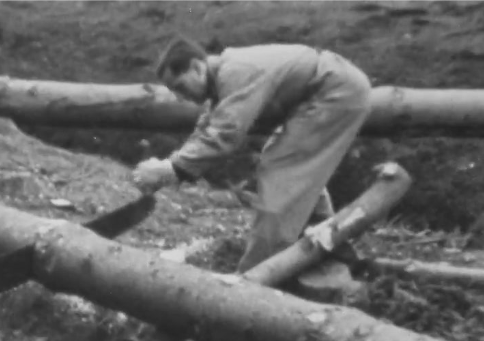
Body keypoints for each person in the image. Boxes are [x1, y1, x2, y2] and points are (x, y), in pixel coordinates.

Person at [132, 36, 371, 293]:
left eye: (180, 87)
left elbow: (226, 134)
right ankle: (330, 248)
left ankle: (255, 278)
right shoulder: (222, 78)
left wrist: (172, 169)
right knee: (289, 169)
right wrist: (173, 167)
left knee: (282, 172)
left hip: (335, 93)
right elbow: (209, 125)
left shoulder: (236, 73)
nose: (182, 97)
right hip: (331, 90)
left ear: (197, 67)